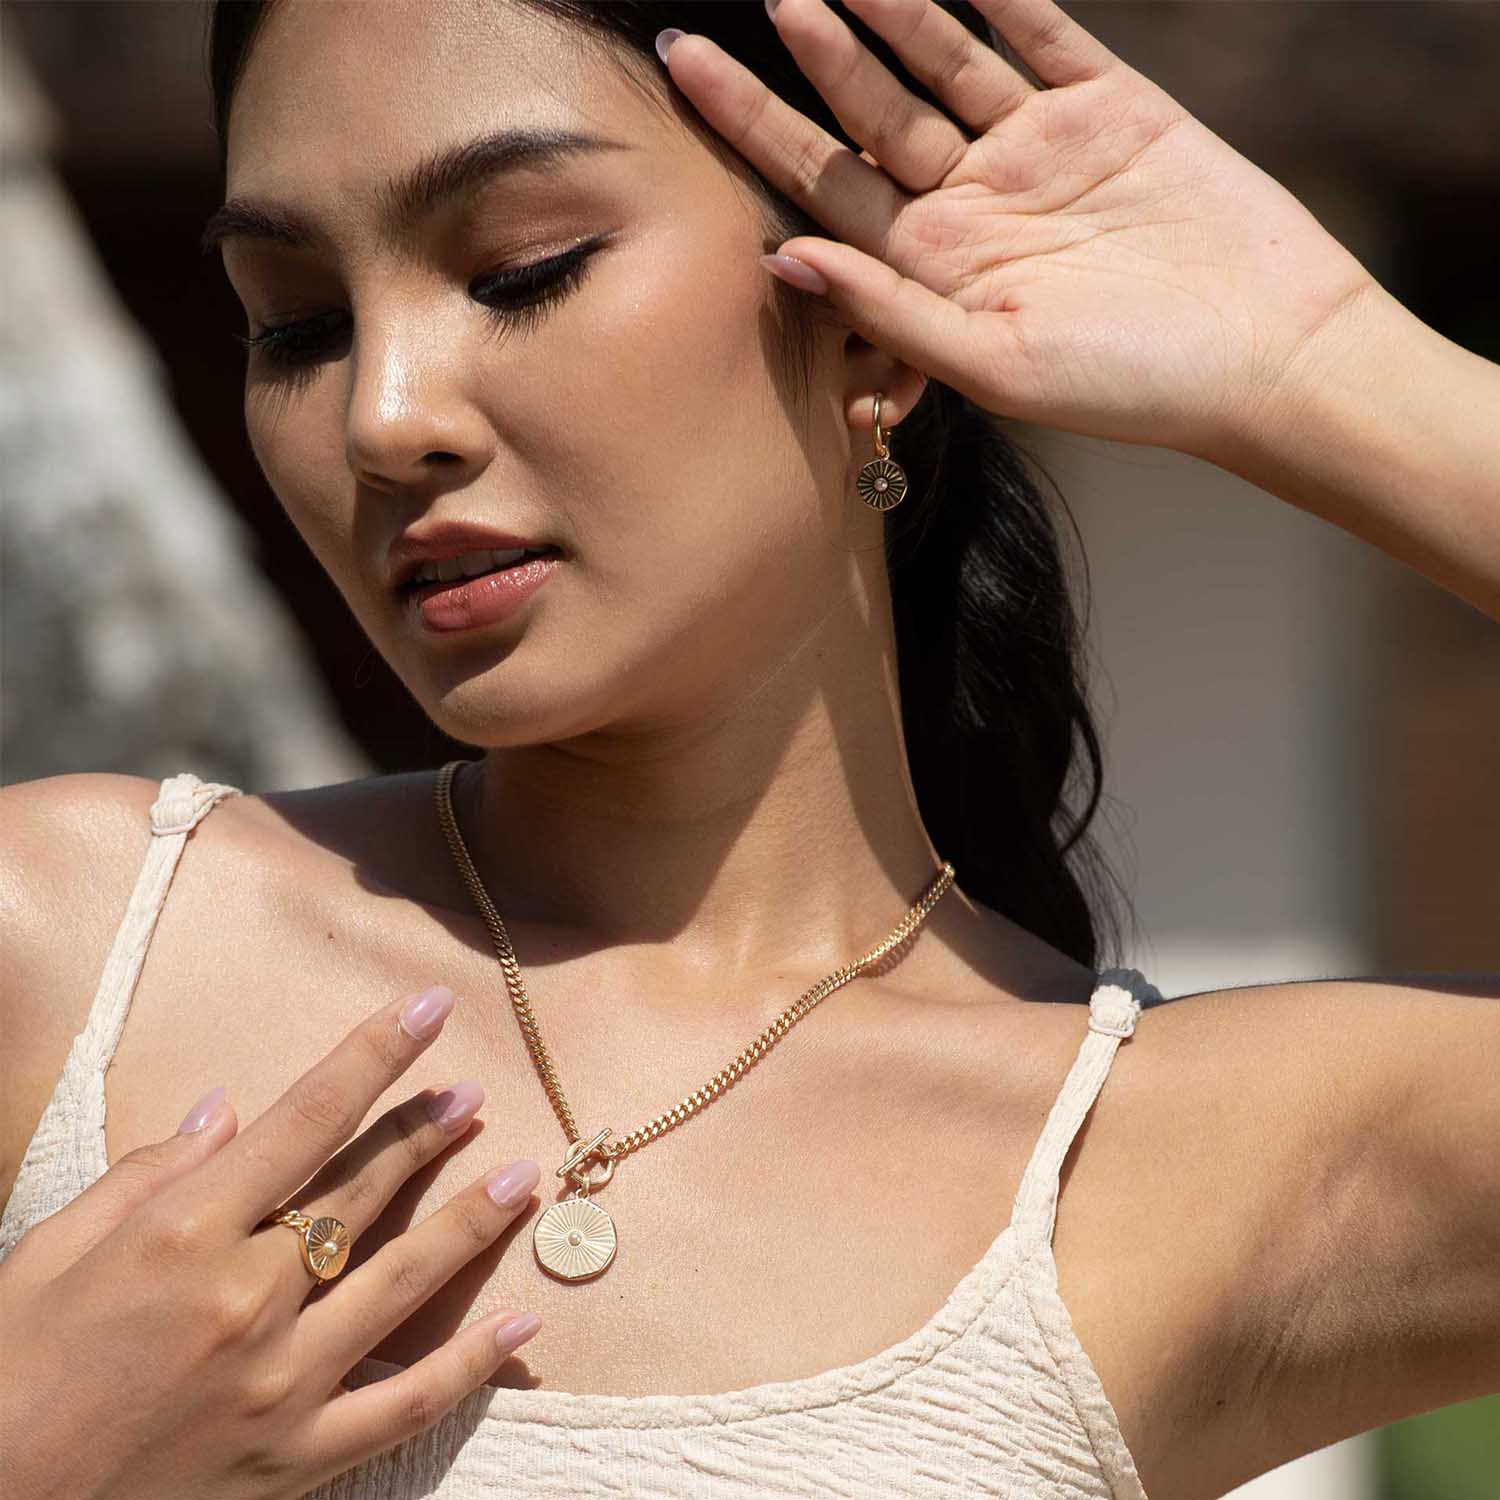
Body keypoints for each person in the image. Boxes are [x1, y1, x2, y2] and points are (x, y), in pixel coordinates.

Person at [0, 2, 1494, 1498]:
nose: (384, 417)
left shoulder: (1171, 1164)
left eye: (520, 271)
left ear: (868, 330)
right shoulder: (62, 942)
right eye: (297, 325)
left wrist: (1321, 370)